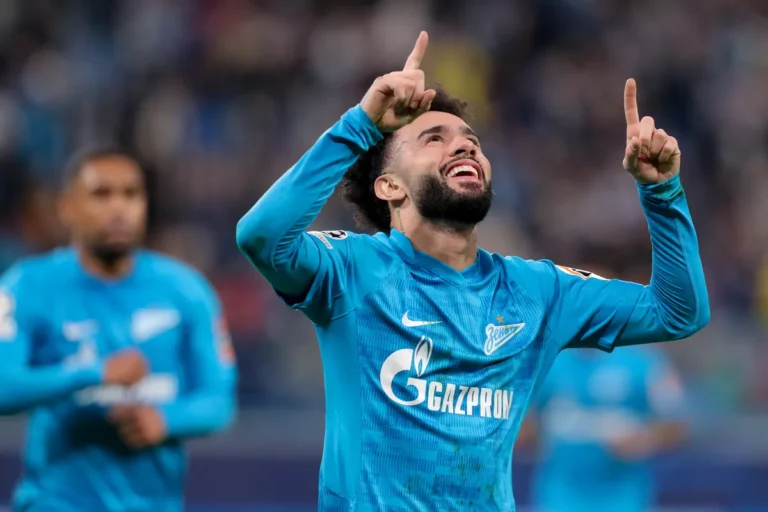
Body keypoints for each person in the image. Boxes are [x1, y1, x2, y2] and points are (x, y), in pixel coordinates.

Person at [236, 31, 709, 511]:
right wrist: (359, 126)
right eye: (434, 139)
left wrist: (662, 193)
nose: (463, 148)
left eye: (471, 142)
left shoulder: (538, 292)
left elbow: (678, 312)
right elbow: (261, 237)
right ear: (388, 187)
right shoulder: (352, 270)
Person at [0, 147, 238, 512]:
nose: (118, 208)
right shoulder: (27, 286)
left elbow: (218, 402)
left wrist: (165, 419)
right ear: (67, 207)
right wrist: (93, 373)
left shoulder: (186, 290)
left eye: (131, 194)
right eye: (101, 194)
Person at [520, 345, 687, 512]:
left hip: (624, 496)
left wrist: (646, 439)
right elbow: (521, 427)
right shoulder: (545, 361)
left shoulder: (644, 361)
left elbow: (678, 423)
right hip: (560, 496)